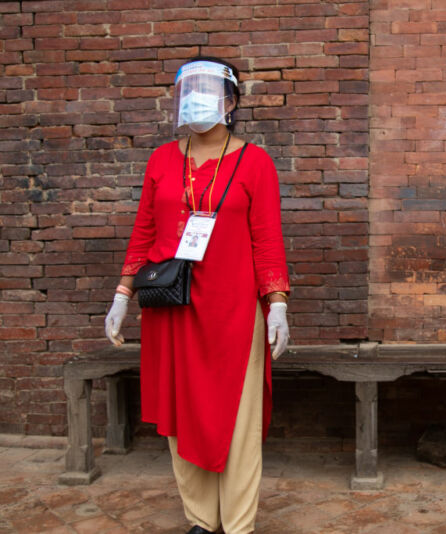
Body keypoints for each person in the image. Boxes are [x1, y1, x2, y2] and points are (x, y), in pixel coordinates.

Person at [104, 56, 290, 534]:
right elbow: (144, 230)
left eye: (208, 91)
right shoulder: (162, 160)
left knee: (237, 418)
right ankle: (201, 520)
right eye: (189, 91)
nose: (197, 99)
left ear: (231, 103)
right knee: (182, 411)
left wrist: (277, 304)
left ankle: (239, 524)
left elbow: (267, 239)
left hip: (234, 310)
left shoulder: (255, 162)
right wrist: (123, 294)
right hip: (172, 305)